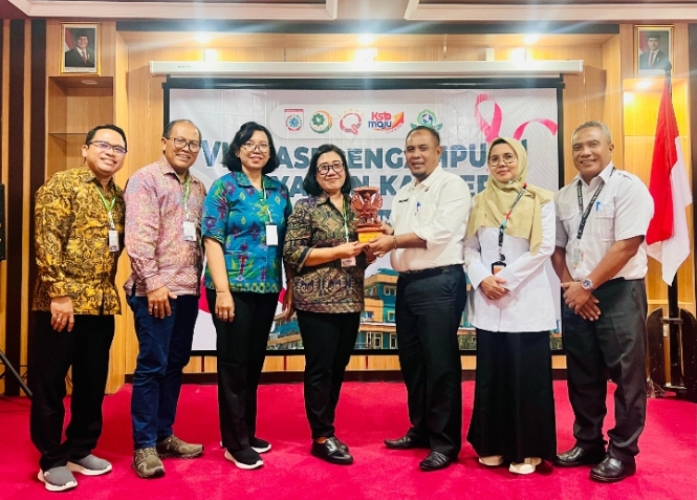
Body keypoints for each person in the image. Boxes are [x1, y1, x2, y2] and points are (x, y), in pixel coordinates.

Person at [552, 121, 654, 483]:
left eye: (593, 144)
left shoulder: (629, 188)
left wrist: (587, 285)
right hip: (576, 295)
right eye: (577, 146)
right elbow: (558, 248)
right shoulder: (565, 195)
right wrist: (572, 287)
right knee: (583, 374)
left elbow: (627, 245)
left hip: (619, 294)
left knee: (627, 377)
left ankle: (623, 452)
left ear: (610, 147)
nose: (585, 152)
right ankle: (588, 442)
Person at [29, 124, 128, 492]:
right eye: (103, 144)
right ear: (85, 149)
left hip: (100, 305)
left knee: (91, 384)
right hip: (61, 305)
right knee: (50, 384)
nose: (111, 152)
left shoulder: (118, 197)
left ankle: (80, 449)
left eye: (119, 148)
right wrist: (58, 293)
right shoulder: (63, 184)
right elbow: (46, 239)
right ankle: (51, 460)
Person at [368, 126, 471, 471]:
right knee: (413, 363)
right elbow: (398, 234)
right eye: (410, 149)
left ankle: (445, 443)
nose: (415, 155)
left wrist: (393, 241)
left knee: (440, 364)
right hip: (407, 284)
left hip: (439, 282)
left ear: (438, 151)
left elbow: (439, 233)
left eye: (423, 148)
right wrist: (383, 233)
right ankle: (422, 429)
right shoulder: (403, 192)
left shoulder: (451, 186)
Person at [202, 121, 292, 470]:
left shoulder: (278, 190)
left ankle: (244, 432)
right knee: (233, 364)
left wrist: (289, 286)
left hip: (267, 288)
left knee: (252, 364)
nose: (257, 149)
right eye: (250, 144)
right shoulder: (224, 187)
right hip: (232, 289)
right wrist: (223, 291)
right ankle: (234, 443)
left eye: (263, 145)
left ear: (270, 153)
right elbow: (212, 239)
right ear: (237, 150)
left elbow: (287, 244)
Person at [464, 137, 557, 475]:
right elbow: (469, 248)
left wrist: (503, 281)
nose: (502, 163)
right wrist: (481, 279)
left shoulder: (541, 199)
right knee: (492, 378)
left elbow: (543, 248)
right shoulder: (479, 201)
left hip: (525, 301)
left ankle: (527, 451)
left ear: (520, 160)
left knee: (526, 379)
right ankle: (492, 445)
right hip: (489, 303)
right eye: (495, 158)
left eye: (508, 157)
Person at [124, 119, 207, 478]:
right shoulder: (146, 179)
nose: (187, 148)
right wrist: (154, 283)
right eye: (180, 141)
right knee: (152, 366)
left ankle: (163, 435)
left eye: (193, 144)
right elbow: (138, 238)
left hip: (187, 291)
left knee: (174, 365)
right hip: (155, 292)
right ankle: (143, 445)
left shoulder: (199, 187)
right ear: (164, 142)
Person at [283, 144, 374, 465]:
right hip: (316, 302)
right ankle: (321, 436)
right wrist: (337, 251)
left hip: (351, 299)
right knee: (320, 368)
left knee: (338, 367)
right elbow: (292, 252)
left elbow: (366, 248)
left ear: (346, 171)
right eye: (324, 167)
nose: (332, 171)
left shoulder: (358, 207)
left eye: (337, 165)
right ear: (314, 174)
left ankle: (328, 429)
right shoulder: (306, 207)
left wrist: (373, 248)